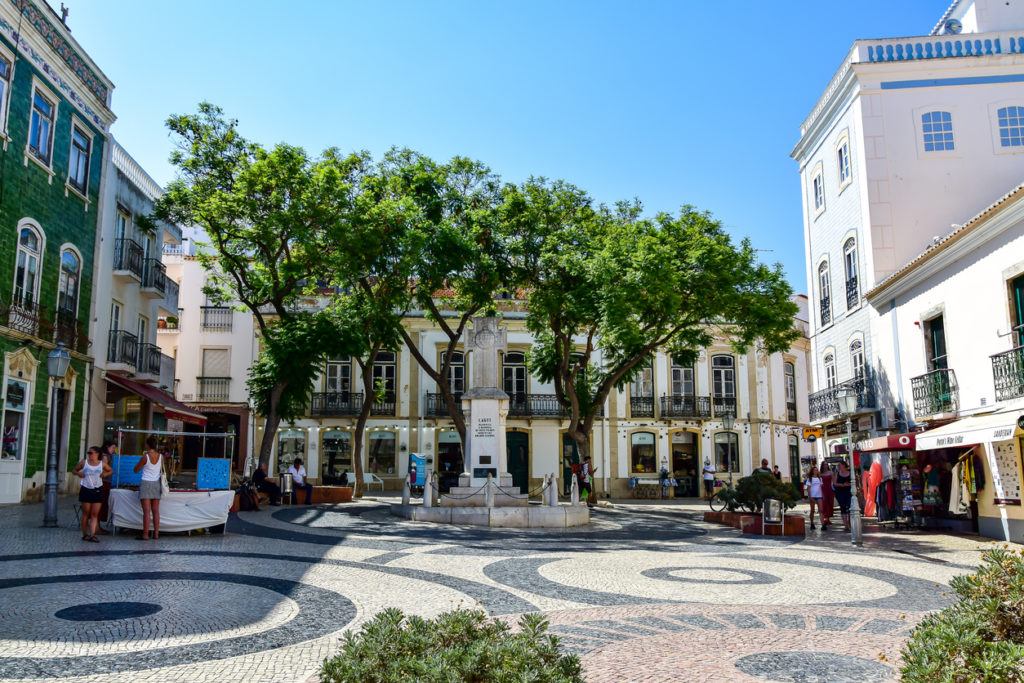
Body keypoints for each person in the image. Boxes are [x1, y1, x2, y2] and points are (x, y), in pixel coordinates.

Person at [73, 446, 111, 542]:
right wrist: (78, 474)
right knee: (86, 513)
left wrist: (105, 474)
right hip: (86, 488)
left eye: (91, 453)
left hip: (97, 488)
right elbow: (74, 470)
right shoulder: (84, 462)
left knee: (95, 514)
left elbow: (111, 470)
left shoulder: (101, 464)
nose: (89, 455)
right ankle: (85, 534)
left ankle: (92, 534)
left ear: (97, 454)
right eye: (88, 453)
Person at [133, 436, 164, 540]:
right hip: (156, 483)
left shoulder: (145, 457)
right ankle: (156, 534)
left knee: (146, 511)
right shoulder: (161, 456)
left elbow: (136, 470)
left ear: (147, 445)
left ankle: (145, 534)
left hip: (146, 483)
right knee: (156, 510)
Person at [96, 440, 117, 534]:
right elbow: (103, 472)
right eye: (112, 448)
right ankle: (97, 527)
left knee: (102, 504)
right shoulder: (105, 457)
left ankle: (97, 526)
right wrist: (110, 471)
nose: (113, 450)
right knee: (101, 504)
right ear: (107, 447)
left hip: (105, 482)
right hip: (104, 482)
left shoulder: (107, 456)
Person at [833, 460, 854, 531]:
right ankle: (846, 525)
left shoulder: (850, 473)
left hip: (849, 492)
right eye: (838, 465)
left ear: (844, 465)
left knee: (850, 507)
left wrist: (849, 484)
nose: (838, 466)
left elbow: (854, 482)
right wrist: (842, 485)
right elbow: (834, 483)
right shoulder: (837, 474)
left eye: (839, 465)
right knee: (843, 508)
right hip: (840, 493)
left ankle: (850, 522)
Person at [804, 466, 823, 530]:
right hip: (813, 496)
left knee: (821, 510)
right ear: (812, 471)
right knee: (812, 510)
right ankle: (812, 523)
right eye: (814, 470)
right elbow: (808, 488)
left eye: (817, 470)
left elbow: (821, 487)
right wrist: (810, 496)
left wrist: (823, 495)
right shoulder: (810, 479)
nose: (816, 471)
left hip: (819, 495)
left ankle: (823, 524)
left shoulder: (820, 478)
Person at [819, 462, 835, 529]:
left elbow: (834, 481)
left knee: (830, 502)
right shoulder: (820, 474)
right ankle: (825, 518)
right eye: (824, 464)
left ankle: (828, 518)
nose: (826, 465)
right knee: (824, 503)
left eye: (826, 464)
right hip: (823, 489)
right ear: (822, 466)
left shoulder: (831, 472)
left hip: (830, 489)